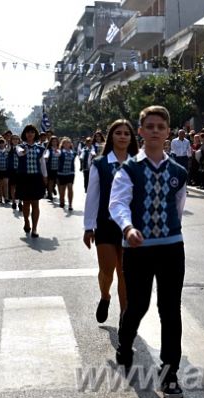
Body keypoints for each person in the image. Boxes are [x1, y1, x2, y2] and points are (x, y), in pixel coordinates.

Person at [109, 105, 188, 398]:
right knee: (138, 304)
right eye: (150, 126)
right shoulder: (128, 169)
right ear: (140, 132)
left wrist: (168, 232)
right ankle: (125, 341)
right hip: (137, 250)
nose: (155, 131)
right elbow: (117, 203)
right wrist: (128, 228)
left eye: (160, 126)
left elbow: (178, 208)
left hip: (171, 248)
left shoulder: (178, 172)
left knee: (170, 309)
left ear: (168, 132)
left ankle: (170, 374)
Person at [84, 119, 139, 324]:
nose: (123, 136)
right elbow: (92, 196)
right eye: (118, 133)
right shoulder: (99, 164)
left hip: (130, 227)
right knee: (107, 271)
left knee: (125, 273)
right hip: (105, 225)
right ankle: (105, 296)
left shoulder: (140, 163)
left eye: (127, 133)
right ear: (111, 137)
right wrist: (88, 227)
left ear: (131, 138)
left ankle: (124, 316)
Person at [16, 124, 47, 238]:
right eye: (28, 132)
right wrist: (26, 149)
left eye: (32, 132)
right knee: (26, 203)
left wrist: (45, 177)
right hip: (24, 178)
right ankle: (26, 221)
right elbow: (20, 153)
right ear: (25, 134)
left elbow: (43, 164)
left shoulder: (40, 148)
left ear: (35, 134)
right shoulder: (20, 146)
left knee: (35, 203)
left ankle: (34, 228)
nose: (30, 134)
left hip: (36, 178)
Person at [57, 138, 77, 210]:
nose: (67, 144)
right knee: (62, 188)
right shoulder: (60, 152)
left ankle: (70, 204)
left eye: (68, 143)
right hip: (62, 173)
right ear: (62, 144)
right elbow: (57, 154)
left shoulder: (73, 152)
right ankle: (62, 201)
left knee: (70, 187)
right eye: (65, 143)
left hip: (71, 173)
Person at [6, 134, 20, 210]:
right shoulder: (9, 147)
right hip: (12, 169)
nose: (15, 140)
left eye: (17, 139)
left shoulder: (21, 147)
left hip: (20, 169)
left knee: (20, 186)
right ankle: (14, 202)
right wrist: (8, 145)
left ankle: (20, 201)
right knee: (12, 186)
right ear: (11, 140)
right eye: (14, 139)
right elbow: (6, 152)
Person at [44, 136, 60, 201]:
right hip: (51, 169)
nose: (54, 142)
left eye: (56, 141)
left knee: (58, 182)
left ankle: (61, 195)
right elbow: (46, 156)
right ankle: (50, 195)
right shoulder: (49, 150)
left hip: (58, 169)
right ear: (51, 142)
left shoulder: (59, 149)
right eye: (53, 141)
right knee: (50, 182)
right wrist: (46, 158)